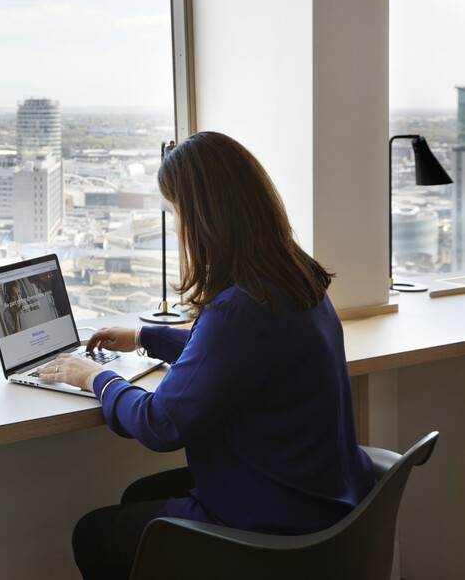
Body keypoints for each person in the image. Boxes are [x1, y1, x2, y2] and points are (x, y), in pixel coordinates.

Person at [36, 131, 376, 579]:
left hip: (276, 529)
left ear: (205, 219)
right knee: (138, 496)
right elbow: (240, 356)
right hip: (323, 502)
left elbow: (160, 423)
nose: (176, 226)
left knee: (95, 533)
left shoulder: (238, 309)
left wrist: (93, 378)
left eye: (176, 213)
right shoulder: (294, 280)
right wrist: (144, 336)